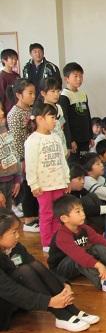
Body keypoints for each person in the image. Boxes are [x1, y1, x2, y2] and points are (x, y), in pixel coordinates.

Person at [0, 211, 96, 332]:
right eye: (13, 232)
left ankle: (71, 309)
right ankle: (61, 315)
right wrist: (49, 302)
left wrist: (63, 283)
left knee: (34, 265)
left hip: (17, 301)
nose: (18, 236)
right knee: (24, 271)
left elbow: (38, 268)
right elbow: (9, 289)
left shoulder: (15, 247)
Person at [24, 102, 70, 252]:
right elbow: (30, 165)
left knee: (58, 214)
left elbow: (62, 161)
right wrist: (33, 184)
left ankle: (57, 241)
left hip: (59, 183)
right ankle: (47, 243)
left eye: (56, 118)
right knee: (46, 214)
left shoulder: (56, 137)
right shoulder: (33, 140)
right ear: (40, 119)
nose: (55, 121)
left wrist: (67, 179)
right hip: (44, 186)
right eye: (52, 117)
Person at [7, 79, 40, 233]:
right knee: (27, 187)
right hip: (25, 157)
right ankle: (28, 220)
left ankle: (36, 216)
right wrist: (23, 160)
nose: (33, 96)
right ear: (19, 95)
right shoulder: (14, 114)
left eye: (34, 93)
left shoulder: (32, 110)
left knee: (35, 186)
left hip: (35, 154)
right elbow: (17, 141)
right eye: (30, 93)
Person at [59, 62, 93, 161]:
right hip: (74, 140)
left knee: (85, 161)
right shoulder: (64, 96)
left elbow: (87, 116)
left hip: (85, 138)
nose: (79, 79)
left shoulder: (83, 95)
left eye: (81, 76)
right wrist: (70, 141)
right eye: (76, 76)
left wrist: (90, 136)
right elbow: (64, 121)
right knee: (75, 164)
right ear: (67, 79)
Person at [68, 164, 106, 233]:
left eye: (83, 178)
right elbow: (85, 209)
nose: (83, 182)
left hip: (91, 220)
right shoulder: (66, 196)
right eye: (79, 179)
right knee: (85, 200)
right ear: (69, 180)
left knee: (92, 196)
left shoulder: (82, 190)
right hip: (79, 223)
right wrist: (105, 208)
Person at [40, 76, 69, 157]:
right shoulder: (41, 111)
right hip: (49, 149)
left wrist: (66, 147)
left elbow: (63, 126)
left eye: (58, 91)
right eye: (52, 91)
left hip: (61, 145)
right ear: (43, 93)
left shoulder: (59, 108)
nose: (56, 94)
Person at [0, 101, 21, 215]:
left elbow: (14, 154)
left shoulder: (6, 130)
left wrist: (17, 179)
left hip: (10, 182)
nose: (2, 113)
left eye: (1, 109)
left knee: (7, 216)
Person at [0, 48, 20, 114]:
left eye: (16, 59)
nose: (14, 61)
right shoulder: (2, 77)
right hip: (8, 110)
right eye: (12, 58)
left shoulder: (17, 75)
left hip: (18, 108)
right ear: (4, 60)